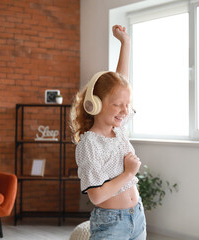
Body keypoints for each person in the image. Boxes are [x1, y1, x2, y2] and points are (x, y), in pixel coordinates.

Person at [70, 25, 146, 240]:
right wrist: (129, 174)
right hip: (111, 223)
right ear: (95, 104)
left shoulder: (118, 130)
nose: (124, 111)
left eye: (127, 105)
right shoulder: (89, 144)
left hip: (137, 216)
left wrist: (125, 43)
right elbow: (96, 195)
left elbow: (121, 82)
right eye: (117, 105)